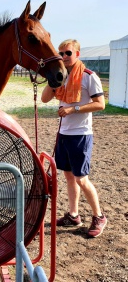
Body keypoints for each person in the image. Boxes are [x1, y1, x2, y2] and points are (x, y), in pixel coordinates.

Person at [41, 39, 107, 238]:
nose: (64, 56)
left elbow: (100, 104)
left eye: (68, 53)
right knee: (69, 177)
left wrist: (73, 109)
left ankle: (99, 216)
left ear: (77, 54)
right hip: (64, 134)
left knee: (81, 179)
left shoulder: (89, 77)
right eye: (61, 53)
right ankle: (73, 214)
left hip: (81, 135)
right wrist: (51, 81)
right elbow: (44, 99)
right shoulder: (61, 77)